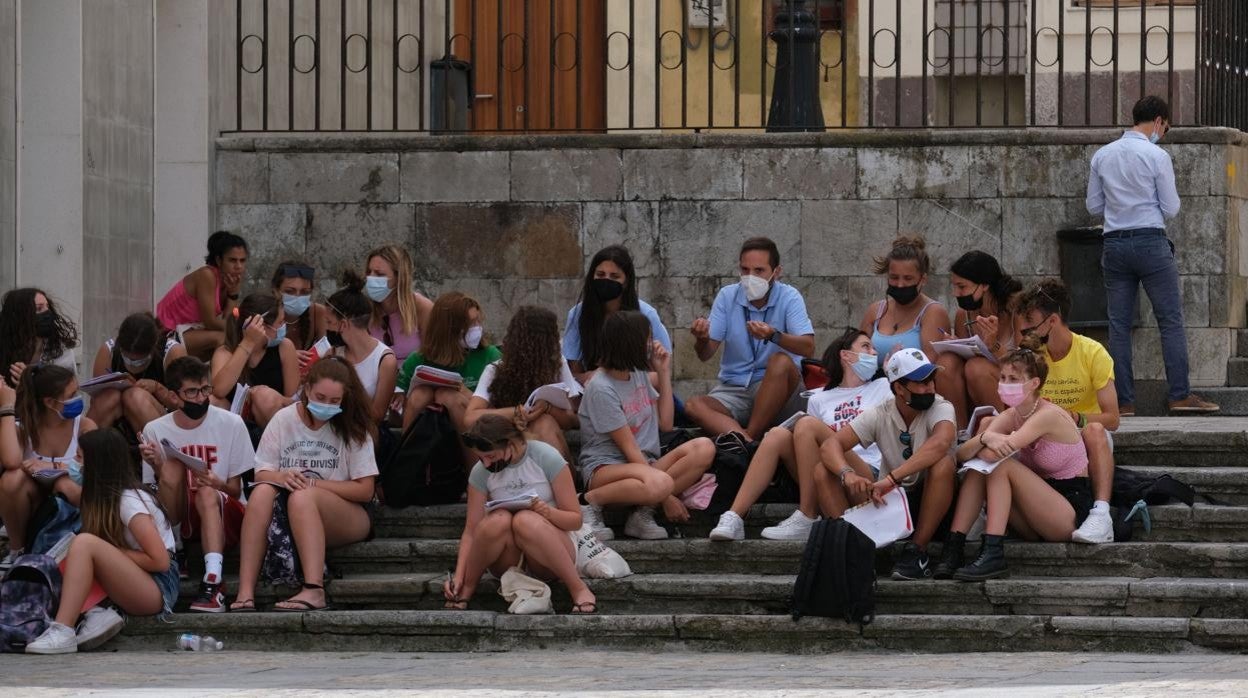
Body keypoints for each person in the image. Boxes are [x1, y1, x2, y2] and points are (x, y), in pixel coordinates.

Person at [1087, 95, 1217, 416]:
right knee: (1170, 321)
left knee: (1118, 326)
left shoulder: (1102, 156)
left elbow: (1094, 206)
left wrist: (1120, 207)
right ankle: (1179, 396)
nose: (1164, 133)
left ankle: (1124, 402)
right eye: (1166, 128)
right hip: (1151, 243)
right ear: (1159, 121)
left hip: (1114, 244)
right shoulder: (1156, 156)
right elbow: (1171, 207)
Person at [709, 328, 892, 541]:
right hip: (829, 477)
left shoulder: (883, 386)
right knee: (777, 435)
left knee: (806, 425)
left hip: (866, 473)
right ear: (846, 355)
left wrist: (893, 372)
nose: (874, 353)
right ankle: (734, 517)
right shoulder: (819, 399)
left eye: (874, 348)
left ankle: (807, 515)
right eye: (866, 346)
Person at [231, 357, 378, 612]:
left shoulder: (353, 427)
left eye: (334, 401)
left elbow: (365, 490)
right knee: (263, 492)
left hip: (346, 514)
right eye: (320, 397)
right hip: (290, 509)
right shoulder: (284, 419)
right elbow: (261, 472)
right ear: (307, 389)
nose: (326, 405)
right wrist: (281, 477)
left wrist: (312, 484)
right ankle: (245, 591)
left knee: (303, 496)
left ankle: (314, 589)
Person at [938, 349, 1093, 581]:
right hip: (1034, 511)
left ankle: (993, 552)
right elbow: (961, 454)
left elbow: (995, 455)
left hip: (1067, 510)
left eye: (1013, 379)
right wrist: (983, 438)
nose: (1004, 384)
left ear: (1034, 383)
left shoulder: (1047, 415)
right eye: (1002, 378)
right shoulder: (1013, 415)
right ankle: (954, 547)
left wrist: (986, 440)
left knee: (1000, 466)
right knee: (976, 468)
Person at [24, 429, 179, 654]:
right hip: (136, 579)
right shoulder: (100, 499)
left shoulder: (129, 501)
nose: (74, 465)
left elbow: (160, 561)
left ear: (96, 464)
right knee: (73, 547)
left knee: (85, 543)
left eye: (79, 457)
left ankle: (63, 630)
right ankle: (95, 612)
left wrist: (111, 552)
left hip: (159, 586)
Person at [819, 349, 957, 580]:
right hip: (893, 502)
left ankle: (917, 551)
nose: (930, 387)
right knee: (824, 469)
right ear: (899, 388)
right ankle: (850, 551)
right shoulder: (880, 413)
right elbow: (829, 445)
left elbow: (941, 443)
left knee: (942, 463)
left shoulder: (942, 406)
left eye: (931, 380)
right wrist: (847, 474)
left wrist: (891, 479)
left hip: (935, 503)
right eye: (921, 383)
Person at [577, 311, 715, 541]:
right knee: (659, 483)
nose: (653, 344)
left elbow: (666, 423)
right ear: (629, 343)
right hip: (605, 468)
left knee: (704, 447)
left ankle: (641, 513)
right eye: (647, 338)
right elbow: (629, 449)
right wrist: (667, 498)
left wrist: (662, 371)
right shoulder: (600, 388)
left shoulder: (638, 374)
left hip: (645, 465)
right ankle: (588, 501)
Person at [444, 414, 597, 614]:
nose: (487, 464)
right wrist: (460, 575)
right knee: (497, 520)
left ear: (511, 444)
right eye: (481, 458)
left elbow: (575, 520)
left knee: (524, 520)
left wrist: (547, 512)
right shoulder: (481, 472)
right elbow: (472, 531)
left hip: (550, 548)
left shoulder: (545, 456)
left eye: (490, 456)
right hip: (508, 558)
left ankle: (578, 588)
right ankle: (466, 588)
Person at [139, 357, 255, 613]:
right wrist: (158, 466)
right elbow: (151, 492)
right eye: (192, 391)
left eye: (205, 389)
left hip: (225, 511)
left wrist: (218, 484)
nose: (201, 398)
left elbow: (237, 490)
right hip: (181, 513)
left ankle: (213, 580)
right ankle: (176, 549)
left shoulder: (231, 423)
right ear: (173, 395)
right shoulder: (154, 429)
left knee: (205, 492)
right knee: (170, 467)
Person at [1014, 279, 1119, 544]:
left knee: (1096, 430)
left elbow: (1113, 418)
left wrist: (1075, 417)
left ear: (1052, 321)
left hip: (1081, 435)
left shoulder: (1093, 352)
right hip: (1043, 435)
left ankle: (1101, 513)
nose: (1025, 332)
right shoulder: (1031, 356)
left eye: (1031, 324)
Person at [685, 237, 815, 443]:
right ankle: (747, 442)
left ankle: (750, 438)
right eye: (745, 270)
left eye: (759, 271)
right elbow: (705, 354)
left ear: (776, 272)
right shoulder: (727, 296)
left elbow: (808, 347)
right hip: (735, 389)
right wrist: (701, 339)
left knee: (780, 362)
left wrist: (773, 335)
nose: (750, 277)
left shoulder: (790, 297)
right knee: (694, 405)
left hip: (779, 390)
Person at [0, 364, 96, 567]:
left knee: (66, 485)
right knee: (11, 479)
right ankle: (18, 551)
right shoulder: (23, 428)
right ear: (50, 402)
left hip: (74, 507)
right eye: (71, 395)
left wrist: (55, 469)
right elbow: (10, 462)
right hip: (34, 506)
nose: (77, 399)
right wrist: (7, 407)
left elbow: (96, 469)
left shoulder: (85, 426)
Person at [467, 306, 582, 461]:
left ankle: (561, 480)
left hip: (547, 438)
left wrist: (547, 408)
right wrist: (515, 413)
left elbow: (573, 419)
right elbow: (470, 417)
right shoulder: (495, 370)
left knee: (544, 422)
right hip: (509, 439)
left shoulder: (557, 365)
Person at [860, 236, 953, 416]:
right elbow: (856, 350)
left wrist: (896, 367)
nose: (900, 284)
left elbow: (930, 363)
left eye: (908, 278)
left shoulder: (933, 312)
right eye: (894, 278)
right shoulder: (875, 311)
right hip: (871, 393)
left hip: (911, 396)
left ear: (922, 279)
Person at [932, 251, 1022, 427]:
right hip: (975, 390)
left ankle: (1003, 430)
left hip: (1013, 384)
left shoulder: (1016, 311)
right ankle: (959, 433)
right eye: (954, 286)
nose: (956, 293)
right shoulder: (963, 315)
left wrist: (994, 345)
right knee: (946, 362)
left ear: (984, 285)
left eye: (962, 286)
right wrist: (955, 345)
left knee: (977, 368)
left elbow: (1024, 366)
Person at [563, 245, 672, 384]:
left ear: (626, 282)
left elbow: (662, 373)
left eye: (614, 276)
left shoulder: (646, 314)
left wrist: (608, 376)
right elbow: (572, 374)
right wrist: (592, 377)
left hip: (638, 391)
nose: (606, 280)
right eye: (600, 275)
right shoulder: (578, 314)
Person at [396, 292, 501, 432]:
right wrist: (399, 401)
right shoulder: (417, 360)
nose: (477, 328)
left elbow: (499, 411)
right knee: (420, 394)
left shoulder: (490, 356)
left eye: (478, 321)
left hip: (475, 433)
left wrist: (464, 392)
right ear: (449, 330)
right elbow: (394, 417)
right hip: (428, 435)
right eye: (470, 324)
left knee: (448, 396)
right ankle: (406, 452)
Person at [85, 312, 185, 433]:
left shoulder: (172, 352)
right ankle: (85, 447)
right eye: (127, 358)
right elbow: (95, 401)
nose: (132, 363)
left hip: (160, 419)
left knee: (134, 396)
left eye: (139, 360)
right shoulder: (109, 351)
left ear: (154, 347)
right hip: (117, 418)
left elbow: (184, 405)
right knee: (108, 397)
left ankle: (159, 447)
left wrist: (158, 388)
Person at [209, 293, 300, 427]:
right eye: (280, 323)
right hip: (236, 423)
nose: (284, 327)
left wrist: (261, 398)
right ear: (261, 326)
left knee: (263, 396)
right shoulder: (225, 352)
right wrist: (248, 343)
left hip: (273, 421)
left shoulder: (285, 347)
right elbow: (219, 390)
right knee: (211, 402)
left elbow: (291, 400)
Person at [155, 231, 248, 359]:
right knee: (223, 339)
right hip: (165, 335)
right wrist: (238, 330)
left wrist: (233, 294)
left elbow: (228, 318)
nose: (238, 266)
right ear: (219, 260)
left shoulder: (228, 281)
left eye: (242, 261)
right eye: (232, 260)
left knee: (231, 339)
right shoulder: (207, 275)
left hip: (190, 333)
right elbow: (211, 323)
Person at [327, 271, 399, 424]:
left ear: (344, 324)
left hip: (363, 429)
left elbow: (377, 414)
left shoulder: (385, 360)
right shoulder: (333, 353)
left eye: (329, 322)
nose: (327, 328)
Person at [365, 244, 433, 363]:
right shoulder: (363, 309)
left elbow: (433, 357)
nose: (371, 278)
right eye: (369, 272)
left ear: (399, 278)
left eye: (379, 274)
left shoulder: (422, 307)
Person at [0, 287, 79, 387]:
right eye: (39, 308)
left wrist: (32, 381)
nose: (47, 313)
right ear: (20, 316)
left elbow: (68, 389)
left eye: (47, 307)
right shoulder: (4, 348)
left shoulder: (60, 349)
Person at [271, 260, 329, 361]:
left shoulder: (318, 313)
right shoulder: (264, 312)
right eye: (289, 291)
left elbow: (326, 353)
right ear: (275, 290)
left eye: (304, 292)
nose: (297, 296)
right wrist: (285, 357)